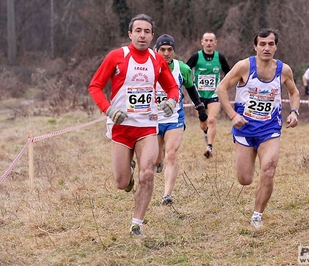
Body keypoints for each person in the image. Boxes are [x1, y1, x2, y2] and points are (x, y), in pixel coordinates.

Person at [88, 14, 179, 237]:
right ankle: (127, 174)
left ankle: (136, 223)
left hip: (147, 126)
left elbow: (173, 88)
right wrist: (108, 109)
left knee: (147, 173)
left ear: (152, 36)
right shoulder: (116, 57)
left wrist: (171, 101)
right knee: (121, 183)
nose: (142, 35)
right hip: (121, 128)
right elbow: (95, 86)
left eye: (147, 31)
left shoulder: (157, 60)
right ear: (130, 34)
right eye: (138, 30)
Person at [216, 28, 300, 229]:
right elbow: (221, 88)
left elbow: (294, 92)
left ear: (276, 46)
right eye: (262, 44)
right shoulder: (244, 66)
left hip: (270, 128)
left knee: (269, 169)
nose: (266, 48)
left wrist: (294, 111)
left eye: (271, 44)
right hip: (245, 129)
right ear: (255, 46)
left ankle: (257, 215)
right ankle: (252, 194)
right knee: (244, 179)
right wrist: (233, 115)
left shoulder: (284, 70)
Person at [153, 34, 208, 205]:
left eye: (170, 50)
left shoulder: (182, 68)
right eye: (162, 49)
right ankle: (158, 158)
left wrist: (200, 110)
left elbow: (191, 90)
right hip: (153, 119)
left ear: (174, 51)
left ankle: (167, 195)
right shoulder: (148, 66)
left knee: (171, 154)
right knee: (155, 158)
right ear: (156, 50)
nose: (166, 53)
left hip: (174, 117)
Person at [186, 32, 231, 158]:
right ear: (202, 42)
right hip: (198, 96)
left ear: (215, 42)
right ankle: (206, 132)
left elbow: (230, 73)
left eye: (211, 40)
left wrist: (224, 85)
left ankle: (209, 147)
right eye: (206, 40)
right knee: (203, 123)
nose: (209, 43)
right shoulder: (196, 57)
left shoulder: (220, 57)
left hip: (214, 95)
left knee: (212, 119)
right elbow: (185, 70)